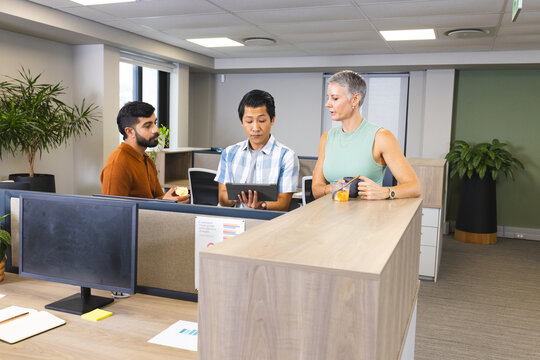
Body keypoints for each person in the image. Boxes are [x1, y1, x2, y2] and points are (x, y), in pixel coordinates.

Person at [312, 70, 421, 200]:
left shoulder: (381, 137)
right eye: (328, 98)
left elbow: (415, 187)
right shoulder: (327, 138)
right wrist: (332, 188)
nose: (328, 104)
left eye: (335, 98)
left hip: (366, 218)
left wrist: (386, 192)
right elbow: (316, 189)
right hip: (328, 216)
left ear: (355, 99)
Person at [215, 89, 299, 211]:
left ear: (272, 119)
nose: (255, 128)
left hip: (266, 222)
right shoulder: (229, 153)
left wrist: (262, 206)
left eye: (262, 121)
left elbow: (283, 202)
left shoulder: (286, 156)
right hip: (235, 220)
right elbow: (222, 197)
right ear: (242, 122)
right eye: (249, 121)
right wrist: (236, 196)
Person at [101, 101, 189, 203]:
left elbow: (155, 198)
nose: (156, 130)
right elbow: (113, 212)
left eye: (155, 123)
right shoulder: (117, 164)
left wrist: (170, 200)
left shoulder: (146, 159)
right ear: (129, 132)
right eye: (148, 126)